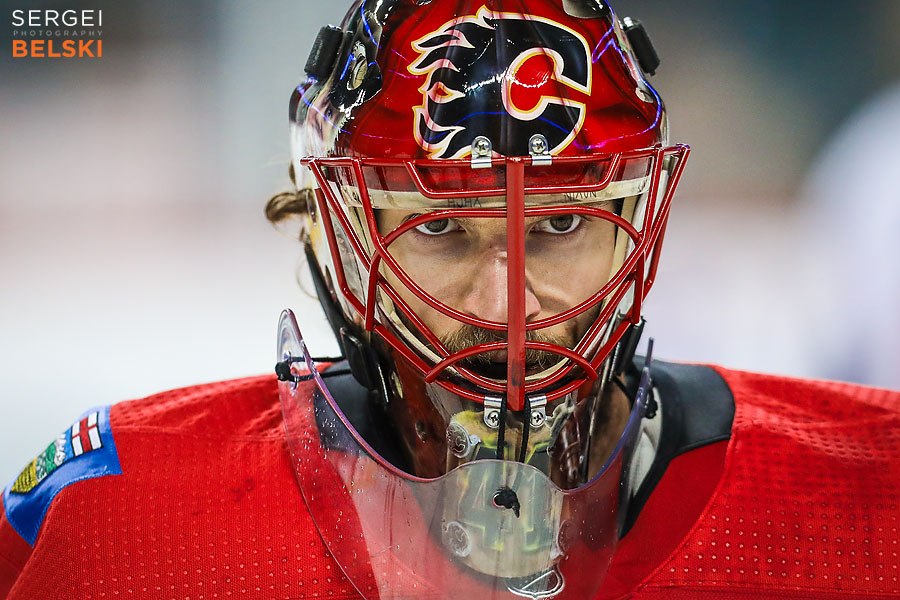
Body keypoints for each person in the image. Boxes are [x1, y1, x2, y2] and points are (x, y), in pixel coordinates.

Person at [1, 1, 898, 598]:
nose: (510, 301)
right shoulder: (117, 517)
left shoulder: (871, 492)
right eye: (439, 229)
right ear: (334, 229)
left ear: (638, 218)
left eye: (557, 226)